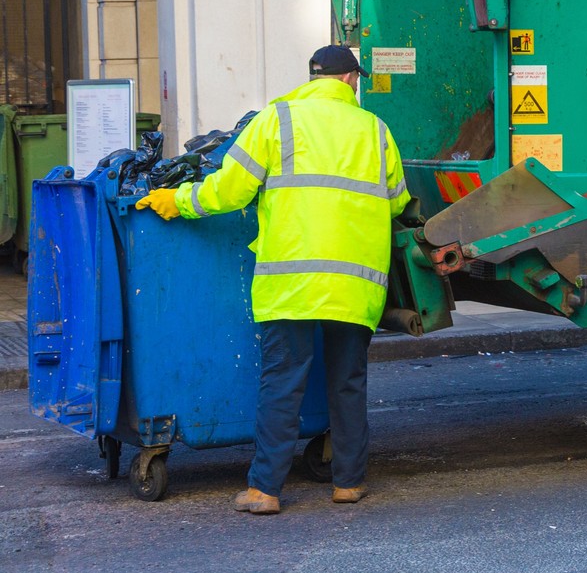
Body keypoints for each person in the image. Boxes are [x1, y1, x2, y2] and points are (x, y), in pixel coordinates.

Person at [136, 45, 408, 514]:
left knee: (283, 382)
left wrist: (178, 201)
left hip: (291, 281)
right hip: (354, 284)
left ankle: (265, 490)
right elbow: (397, 201)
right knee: (347, 382)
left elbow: (229, 188)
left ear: (313, 76)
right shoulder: (375, 130)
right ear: (349, 80)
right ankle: (348, 483)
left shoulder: (277, 119)